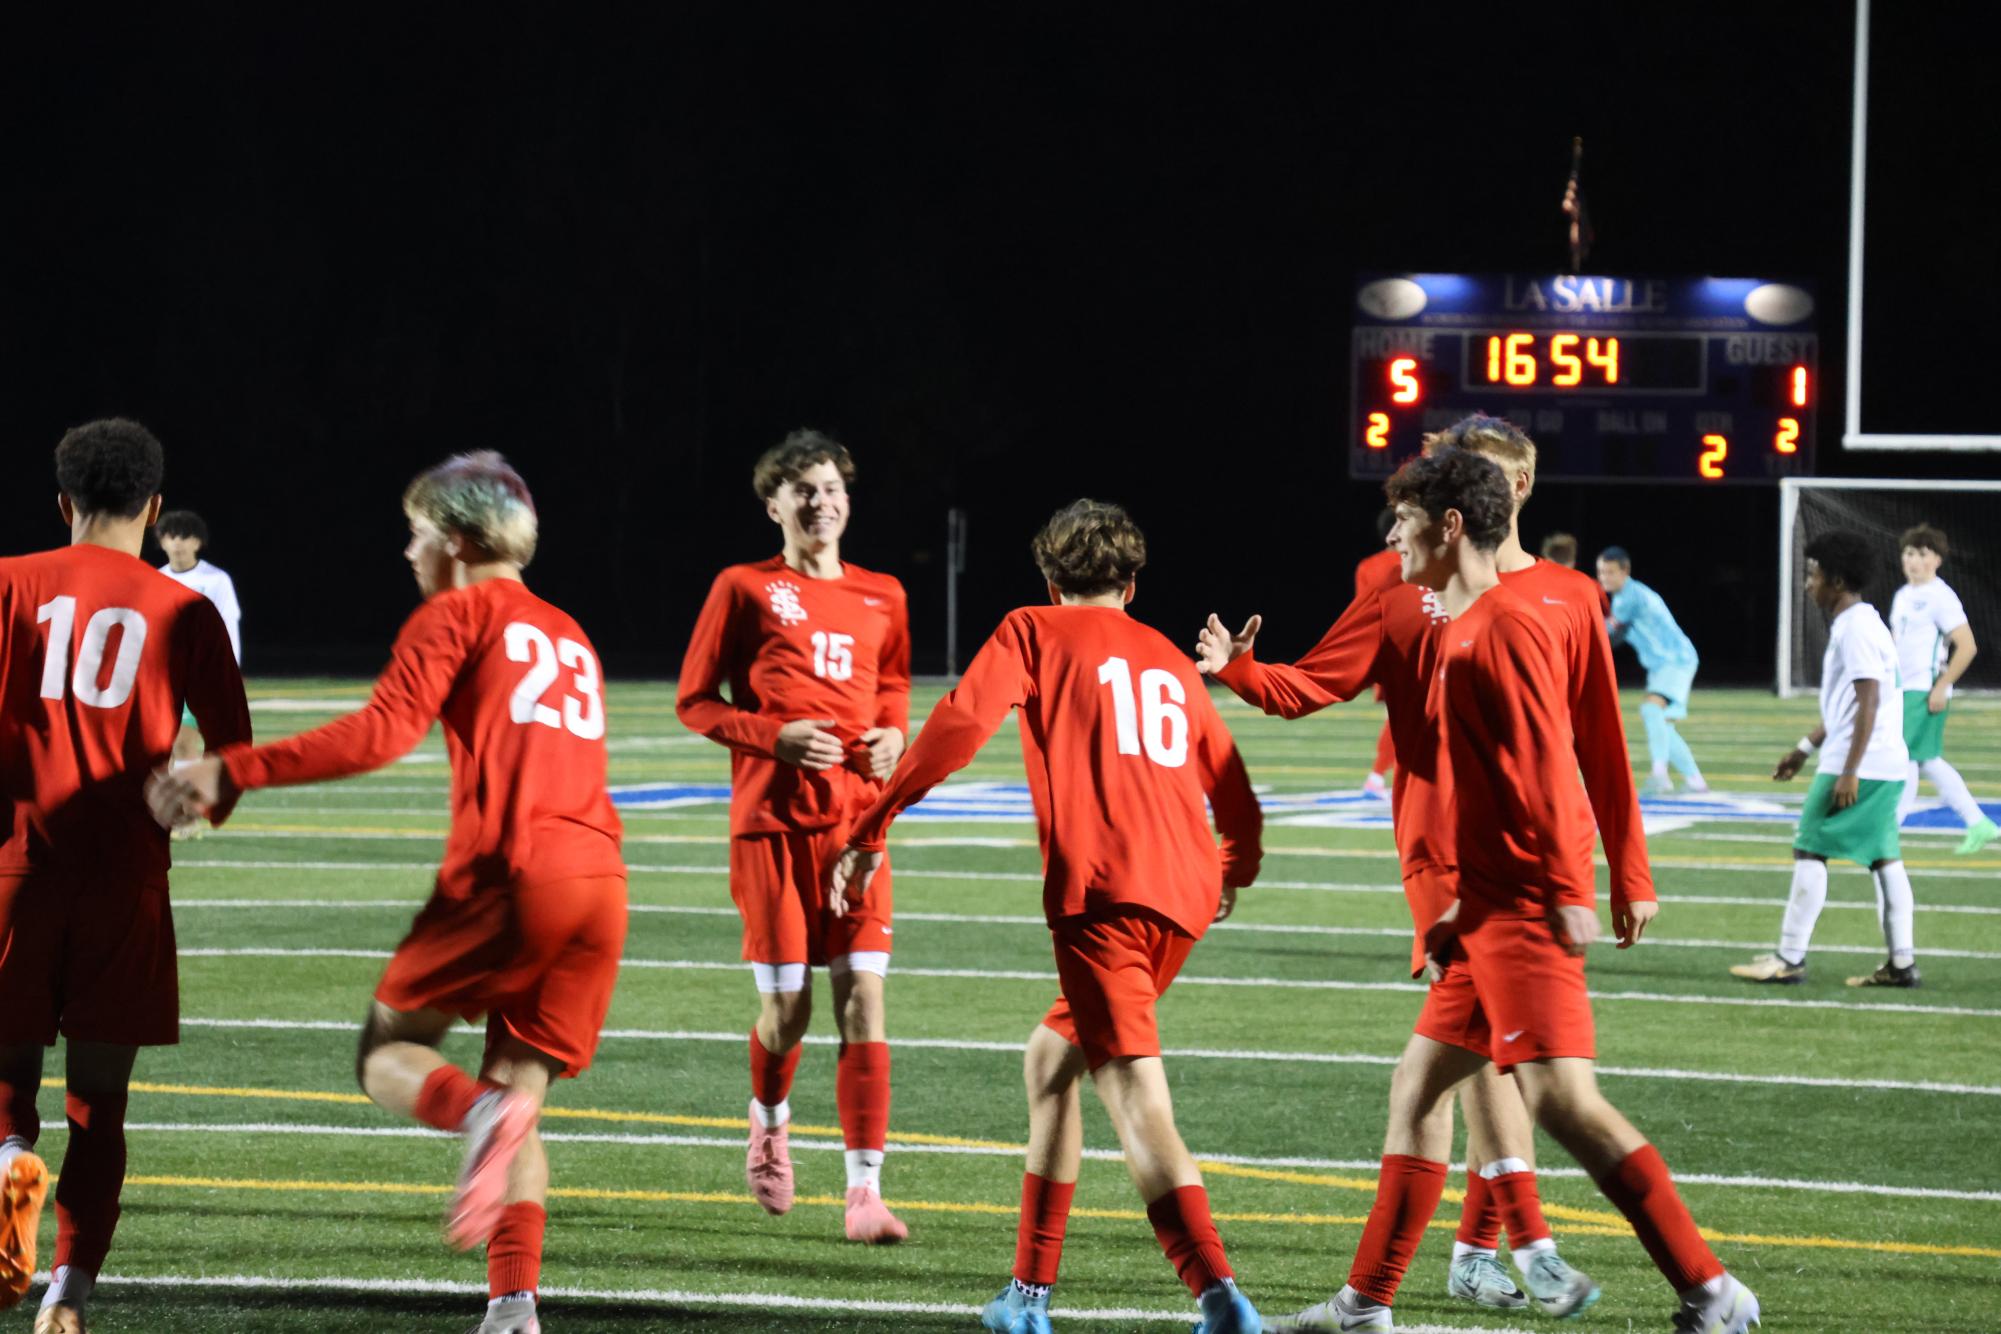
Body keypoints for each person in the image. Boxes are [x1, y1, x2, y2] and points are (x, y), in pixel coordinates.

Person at [1270, 449, 1758, 1334]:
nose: (1390, 537)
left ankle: (1710, 1290)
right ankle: (1363, 1304)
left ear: (1448, 526)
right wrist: (1465, 903)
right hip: (1487, 907)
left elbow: (1545, 764)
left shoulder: (1499, 628)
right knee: (1418, 1090)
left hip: (1528, 907)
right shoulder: (1461, 626)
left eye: (1404, 520)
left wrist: (1572, 887)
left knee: (1563, 1103)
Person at [147, 451, 625, 1334]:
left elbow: (377, 736)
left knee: (387, 1055)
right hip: (599, 883)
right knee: (520, 1093)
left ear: (455, 537)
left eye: (415, 531)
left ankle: (479, 1119)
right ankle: (513, 1308)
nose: (407, 551)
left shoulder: (457, 611)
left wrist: (228, 769)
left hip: (509, 874)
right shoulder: (568, 629)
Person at [1200, 414, 1646, 1318]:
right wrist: (1243, 672)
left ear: (1515, 489)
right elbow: (1318, 680)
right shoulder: (1399, 587)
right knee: (1473, 1054)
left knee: (1480, 1057)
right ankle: (1513, 1245)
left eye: (1482, 473)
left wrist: (1625, 871)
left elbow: (1600, 740)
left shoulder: (1564, 596)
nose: (1457, 487)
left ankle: (1469, 1257)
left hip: (1543, 854)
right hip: (1442, 853)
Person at [830, 499, 1264, 1334]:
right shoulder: (1169, 657)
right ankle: (1026, 1296)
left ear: (1047, 577)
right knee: (1049, 1063)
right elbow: (1231, 782)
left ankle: (1218, 1295)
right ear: (1131, 585)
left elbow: (957, 725)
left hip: (1104, 898)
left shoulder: (1032, 629)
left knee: (1135, 1094)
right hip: (1180, 897)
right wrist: (1233, 864)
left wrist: (872, 823)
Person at [0, 419, 251, 1334]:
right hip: (126, 880)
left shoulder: (6, 584)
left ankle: (6, 1164)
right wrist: (194, 796)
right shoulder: (184, 608)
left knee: (6, 1077)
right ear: (154, 510)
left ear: (61, 502)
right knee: (100, 1103)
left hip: (16, 865)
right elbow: (232, 758)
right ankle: (66, 1297)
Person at [675, 429, 912, 1243]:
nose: (821, 502)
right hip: (772, 824)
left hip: (857, 822)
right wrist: (769, 736)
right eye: (802, 490)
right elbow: (695, 701)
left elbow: (891, 689)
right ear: (773, 503)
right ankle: (769, 1122)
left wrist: (892, 736)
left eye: (832, 488)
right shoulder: (742, 587)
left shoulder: (884, 593)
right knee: (789, 1008)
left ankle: (864, 1193)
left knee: (864, 998)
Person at [1731, 531, 1917, 990]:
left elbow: (1868, 699)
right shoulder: (1863, 622)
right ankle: (1901, 963)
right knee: (1883, 859)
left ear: (1836, 579)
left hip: (1862, 764)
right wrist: (1804, 747)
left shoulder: (1855, 627)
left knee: (1810, 847)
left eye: (1814, 574)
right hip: (1885, 761)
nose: (1808, 583)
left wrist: (1849, 769)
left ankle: (1789, 957)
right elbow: (1851, 706)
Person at [1890, 525, 1996, 854]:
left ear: (1937, 560)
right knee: (1926, 760)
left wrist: (1942, 686)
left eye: (1922, 554)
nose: (1914, 561)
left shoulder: (1941, 597)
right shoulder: (1904, 595)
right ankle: (1978, 822)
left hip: (1924, 691)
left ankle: (1889, 828)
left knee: (1904, 758)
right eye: (1909, 553)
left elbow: (1967, 646)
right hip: (1902, 689)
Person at [1596, 548, 1706, 795]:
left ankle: (1659, 774)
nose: (1604, 578)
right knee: (1663, 725)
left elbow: (1607, 633)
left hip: (1674, 659)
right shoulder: (1625, 597)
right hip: (1666, 663)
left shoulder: (1630, 596)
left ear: (1625, 571)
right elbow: (1615, 637)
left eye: (1610, 572)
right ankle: (1695, 781)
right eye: (1601, 572)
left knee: (1650, 709)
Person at [1355, 510, 1401, 799]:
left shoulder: (1367, 566)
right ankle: (1376, 776)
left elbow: (1362, 613)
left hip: (1381, 647)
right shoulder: (1416, 561)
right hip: (1408, 648)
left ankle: (1379, 775)